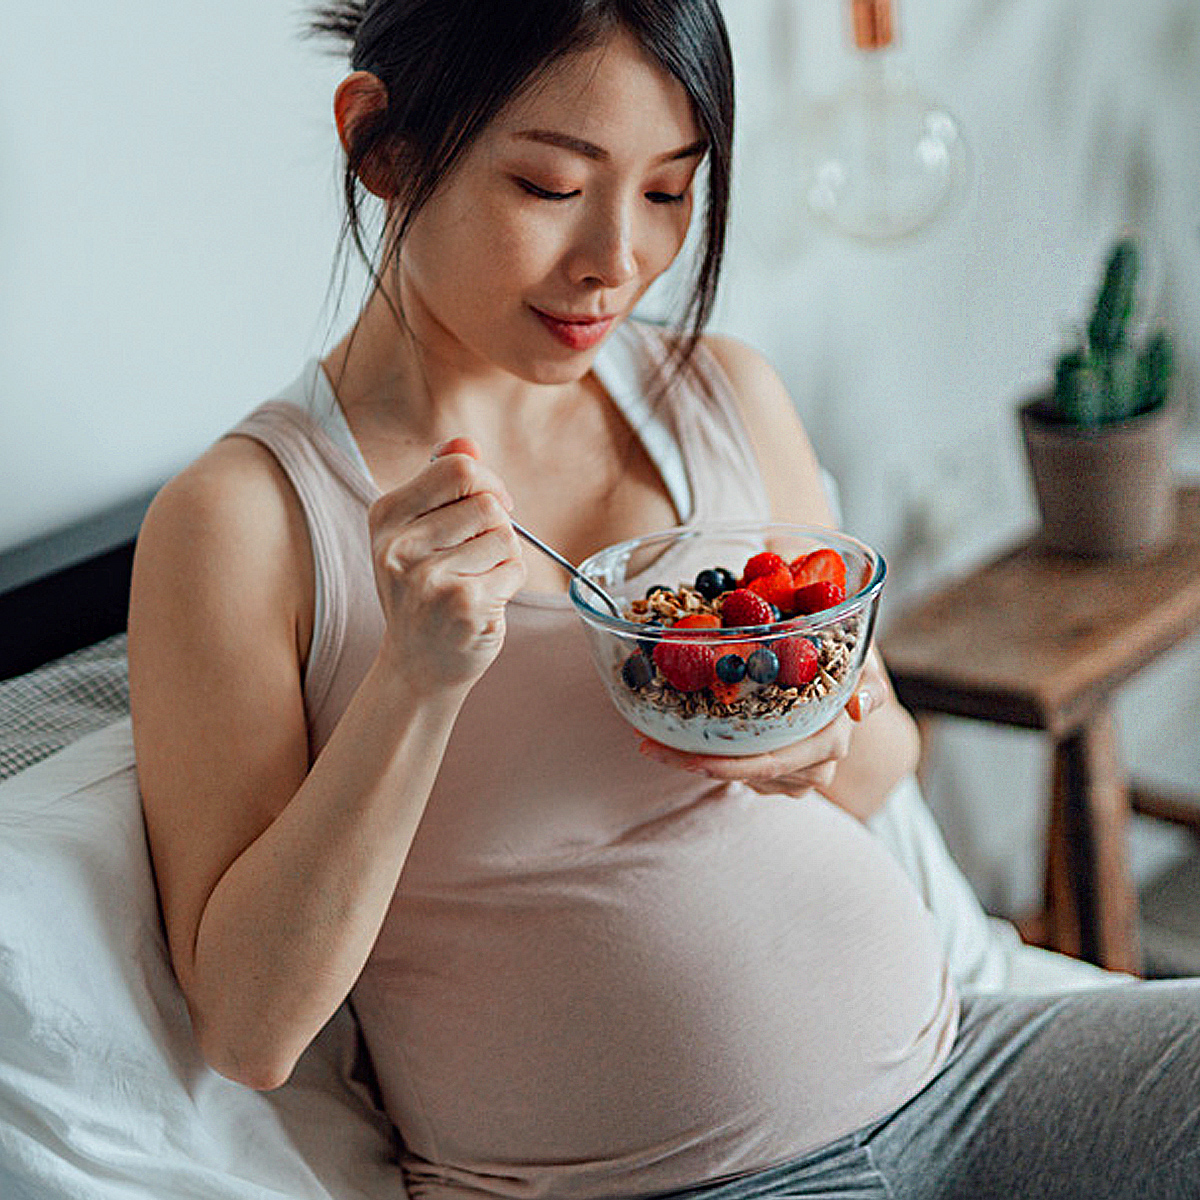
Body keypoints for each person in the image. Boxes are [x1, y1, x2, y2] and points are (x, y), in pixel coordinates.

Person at [127, 2, 1200, 1197]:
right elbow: (248, 1028)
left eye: (667, 192)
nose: (616, 262)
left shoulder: (724, 397)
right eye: (548, 186)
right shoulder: (244, 521)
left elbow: (878, 756)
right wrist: (414, 685)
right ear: (381, 147)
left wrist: (809, 740)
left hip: (965, 1075)